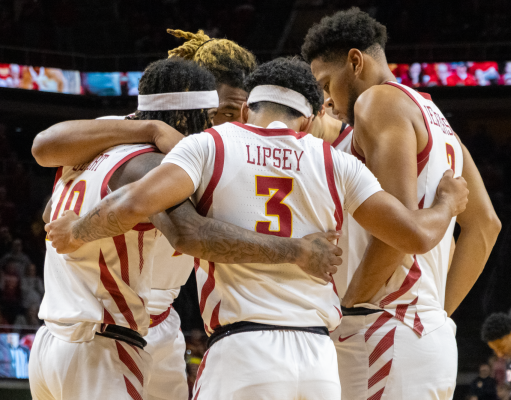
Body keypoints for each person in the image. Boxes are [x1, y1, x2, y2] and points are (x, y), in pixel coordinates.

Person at [46, 57, 469, 400]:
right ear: (310, 116)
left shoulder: (212, 143)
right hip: (318, 361)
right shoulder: (336, 162)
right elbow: (414, 236)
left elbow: (135, 202)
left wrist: (78, 230)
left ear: (247, 108)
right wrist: (447, 203)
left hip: (241, 352)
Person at [34, 57, 342, 400]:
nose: (217, 125)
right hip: (107, 333)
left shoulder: (100, 141)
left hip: (62, 332)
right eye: (212, 115)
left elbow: (49, 200)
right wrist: (297, 250)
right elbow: (190, 233)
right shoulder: (158, 163)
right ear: (183, 116)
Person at [302, 8, 501, 399]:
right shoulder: (434, 116)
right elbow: (485, 225)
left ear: (355, 62)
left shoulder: (377, 103)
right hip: (421, 334)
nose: (326, 99)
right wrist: (437, 314)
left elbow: (398, 232)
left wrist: (350, 304)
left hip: (381, 329)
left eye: (326, 83)